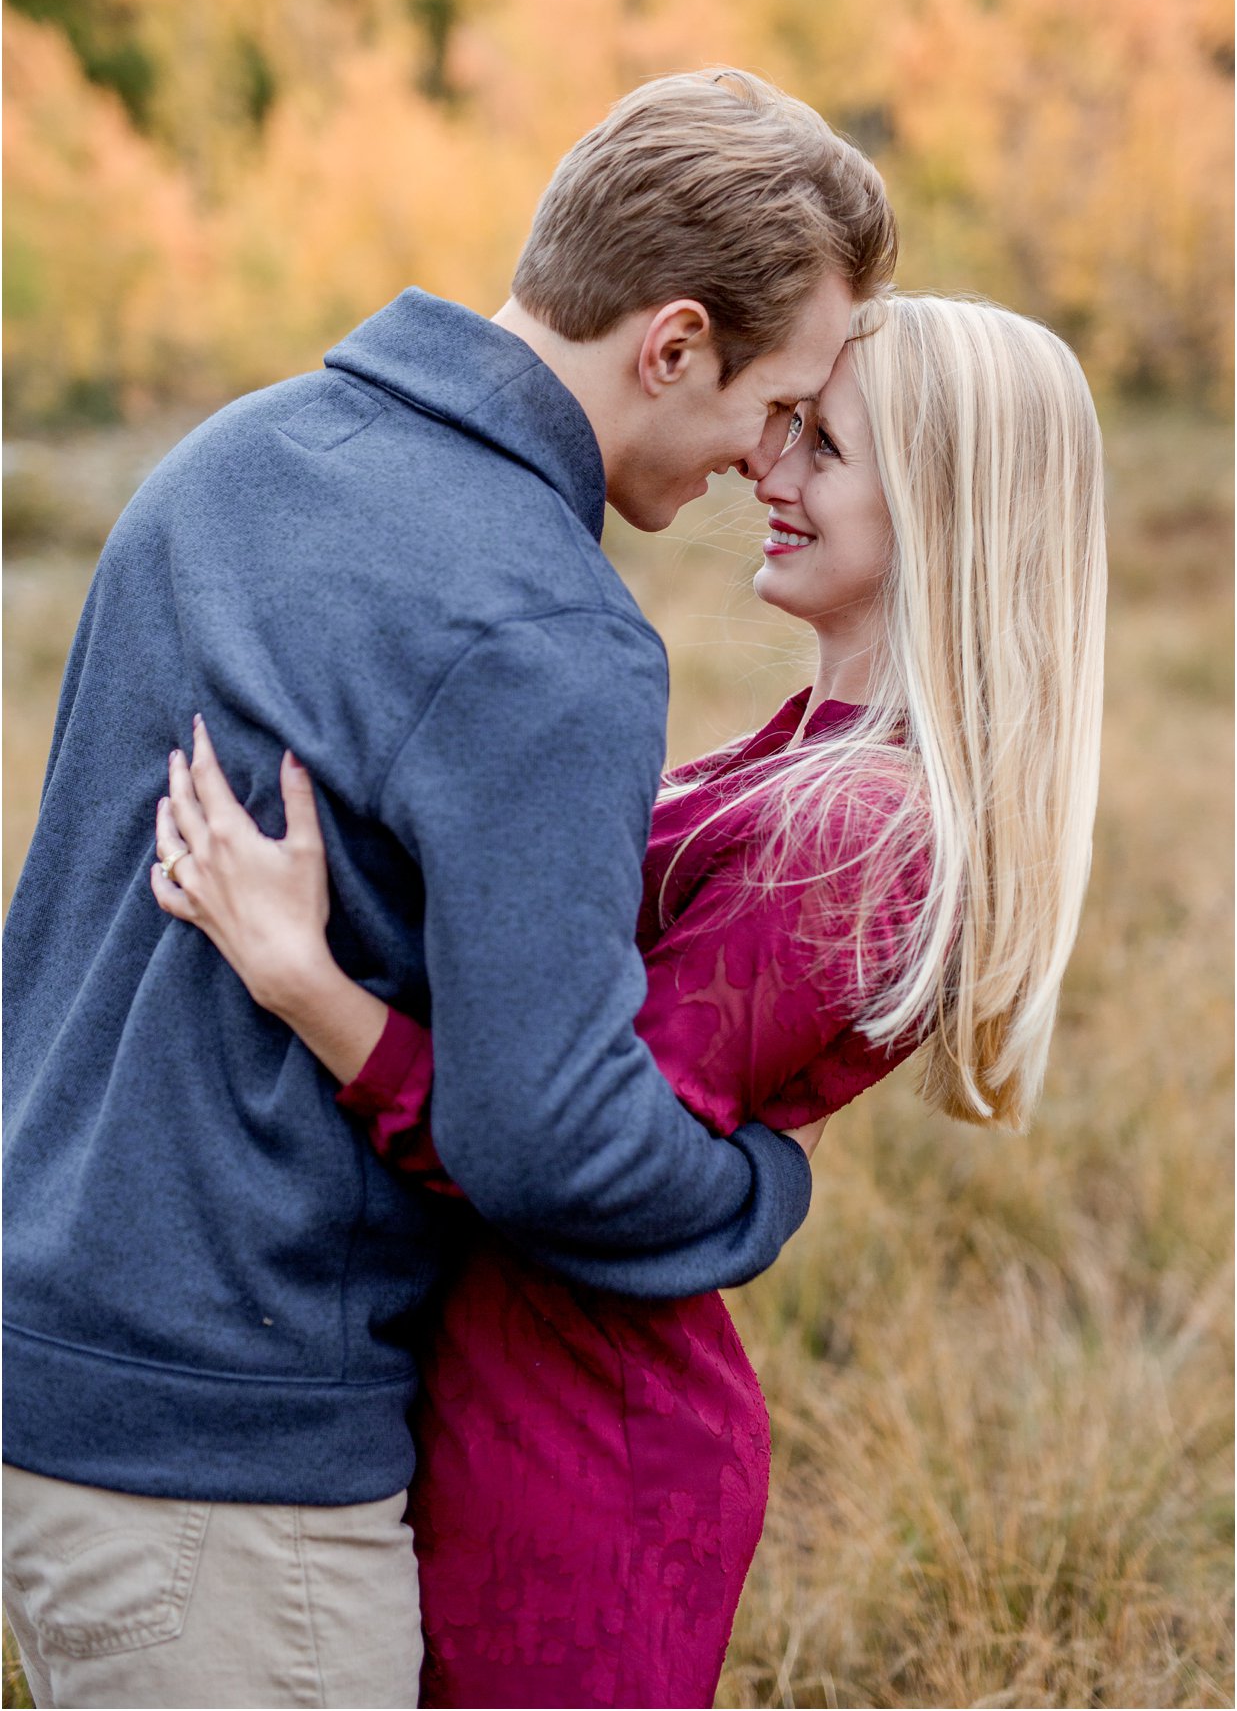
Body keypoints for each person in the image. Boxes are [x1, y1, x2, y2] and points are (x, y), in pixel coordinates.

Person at [2, 68, 896, 1710]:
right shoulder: (545, 628)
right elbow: (542, 1137)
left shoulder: (235, 457)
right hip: (237, 1453)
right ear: (673, 342)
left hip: (52, 1376)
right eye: (779, 403)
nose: (765, 457)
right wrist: (764, 1182)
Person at [146, 293, 1108, 1707]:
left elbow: (566, 1145)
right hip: (495, 1387)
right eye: (781, 430)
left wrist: (309, 986)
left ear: (945, 507)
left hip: (580, 1446)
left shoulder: (865, 825)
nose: (764, 476)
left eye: (820, 448)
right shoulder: (803, 753)